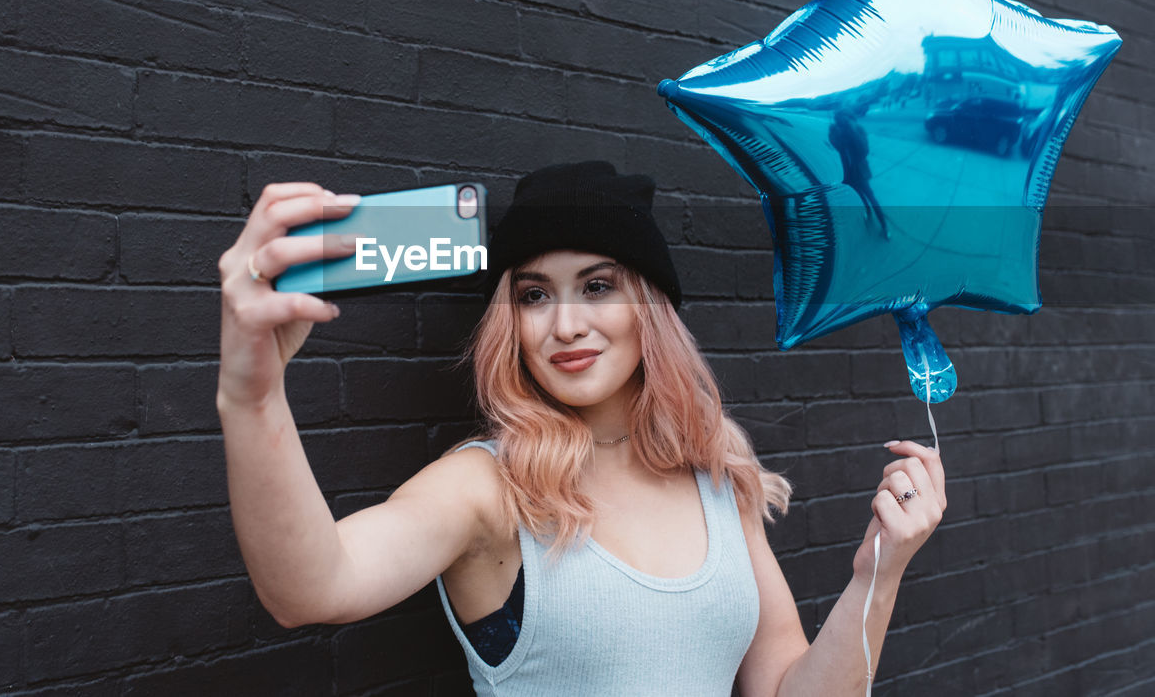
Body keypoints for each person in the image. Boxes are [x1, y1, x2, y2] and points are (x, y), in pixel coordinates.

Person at [216, 162, 946, 695]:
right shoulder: (490, 487)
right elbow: (312, 586)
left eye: (598, 286)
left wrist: (878, 571)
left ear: (651, 308)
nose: (566, 324)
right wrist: (251, 398)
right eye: (534, 295)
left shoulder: (716, 476)